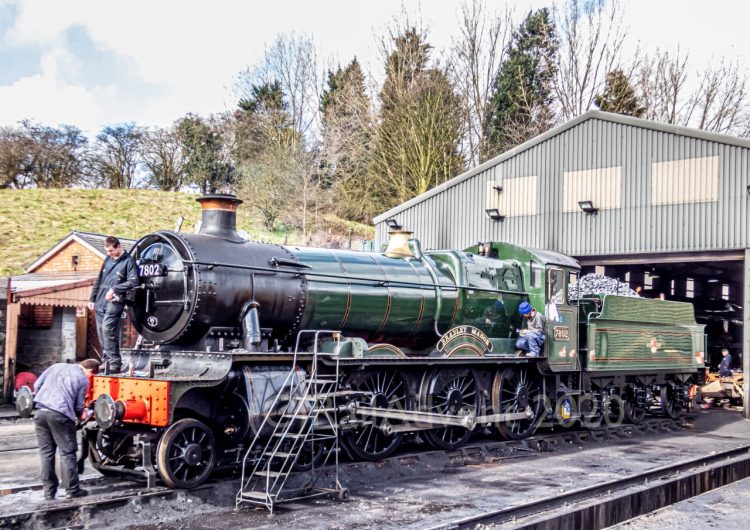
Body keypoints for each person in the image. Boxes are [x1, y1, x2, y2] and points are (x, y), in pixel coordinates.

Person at [33, 359, 100, 500]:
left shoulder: (56, 366)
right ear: (90, 371)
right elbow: (78, 406)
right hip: (60, 415)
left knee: (46, 453)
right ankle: (72, 490)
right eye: (92, 376)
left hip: (40, 412)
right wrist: (82, 416)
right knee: (67, 453)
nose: (90, 379)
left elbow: (37, 385)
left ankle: (49, 492)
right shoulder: (82, 379)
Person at [87, 236, 139, 373]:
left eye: (111, 251)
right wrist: (92, 299)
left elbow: (134, 282)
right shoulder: (107, 260)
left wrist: (115, 289)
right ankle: (106, 360)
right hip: (100, 300)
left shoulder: (129, 261)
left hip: (116, 300)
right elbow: (99, 279)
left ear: (118, 246)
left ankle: (115, 362)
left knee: (107, 328)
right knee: (100, 331)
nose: (109, 254)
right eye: (107, 251)